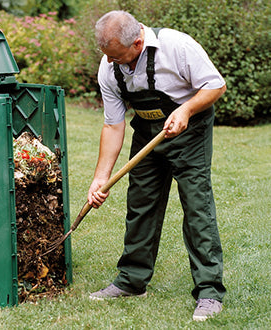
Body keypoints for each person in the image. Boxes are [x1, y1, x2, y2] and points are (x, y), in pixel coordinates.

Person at [87, 10, 227, 322]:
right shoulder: (109, 66)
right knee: (140, 205)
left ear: (137, 43)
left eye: (117, 57)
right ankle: (131, 281)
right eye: (107, 57)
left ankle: (209, 292)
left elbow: (216, 86)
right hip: (147, 133)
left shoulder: (177, 46)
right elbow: (113, 125)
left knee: (196, 207)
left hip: (189, 132)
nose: (111, 63)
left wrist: (187, 109)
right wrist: (101, 177)